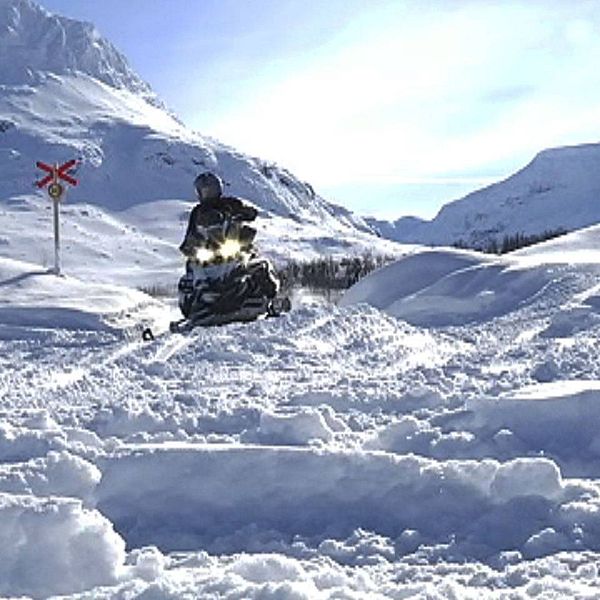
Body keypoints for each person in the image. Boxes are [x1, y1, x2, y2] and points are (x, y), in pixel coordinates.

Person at [179, 172, 258, 256]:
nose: (208, 193)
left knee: (247, 248)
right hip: (208, 250)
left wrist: (246, 213)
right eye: (205, 191)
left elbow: (248, 211)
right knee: (192, 264)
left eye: (211, 190)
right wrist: (187, 247)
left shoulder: (230, 203)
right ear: (199, 193)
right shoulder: (197, 211)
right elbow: (191, 231)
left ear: (218, 189)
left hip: (230, 242)